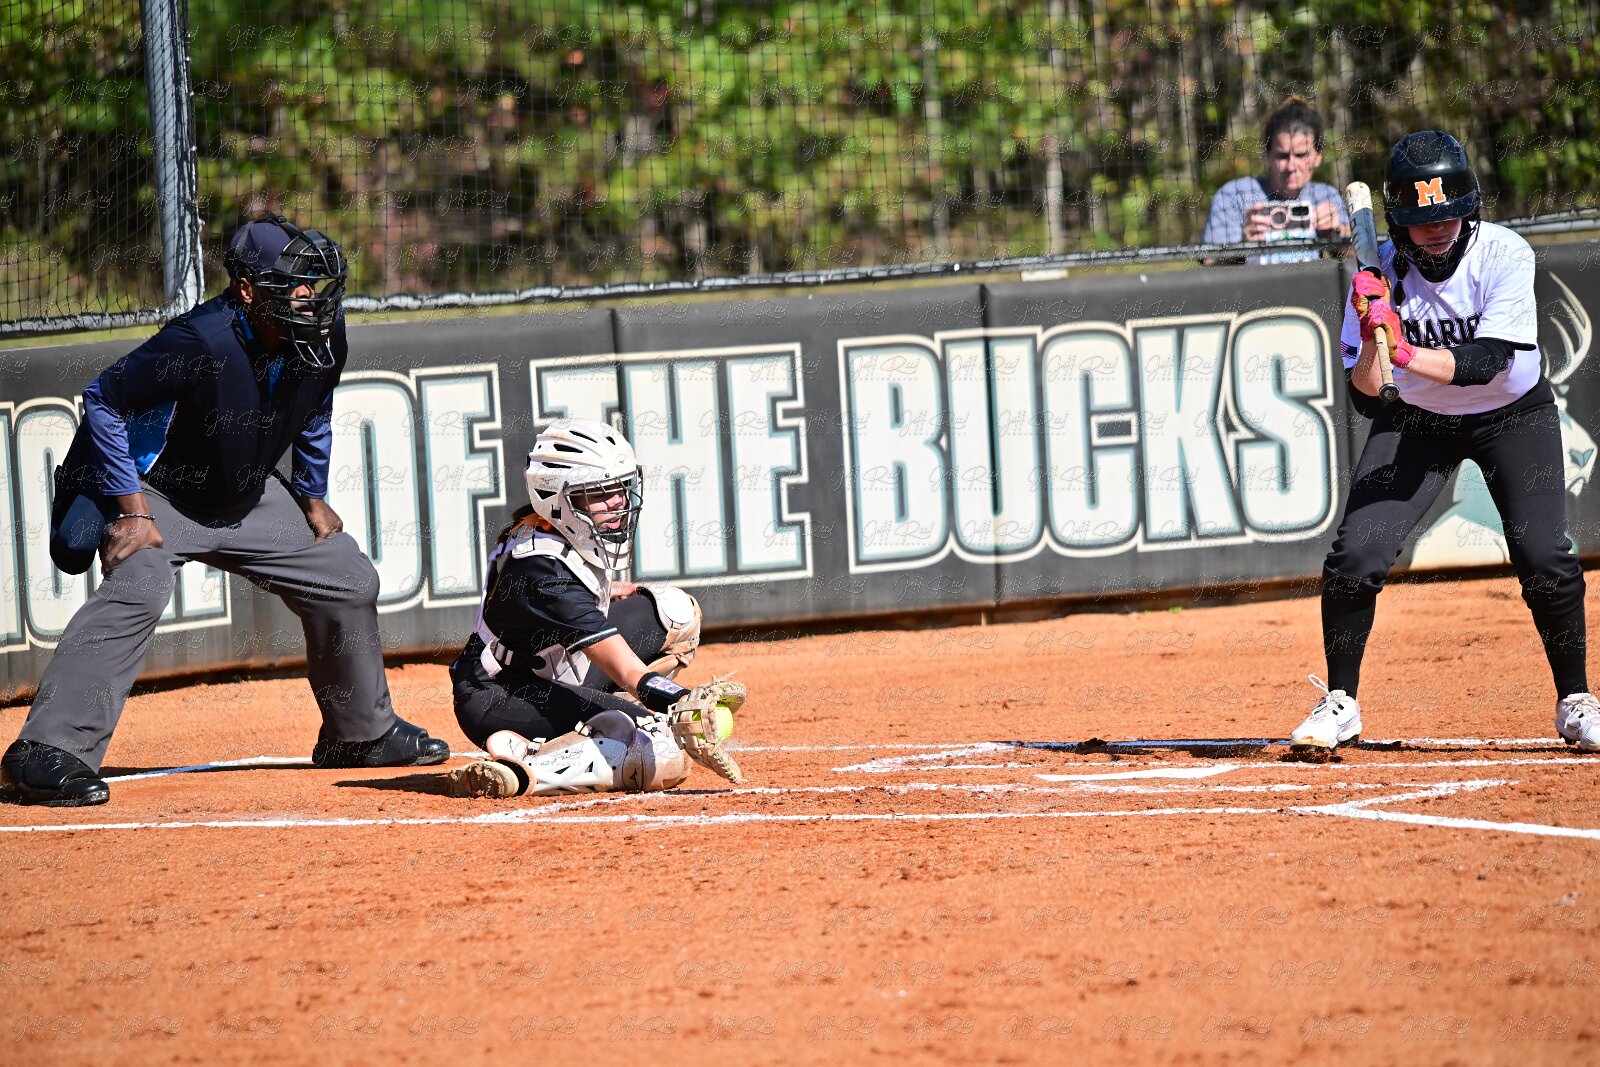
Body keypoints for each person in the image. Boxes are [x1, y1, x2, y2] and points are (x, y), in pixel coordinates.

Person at [0, 215, 449, 807]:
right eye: (293, 284)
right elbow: (104, 398)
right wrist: (132, 510)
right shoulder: (200, 341)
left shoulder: (321, 333)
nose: (309, 296)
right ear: (247, 290)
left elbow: (315, 407)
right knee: (141, 583)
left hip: (244, 495)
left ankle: (360, 735)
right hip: (158, 492)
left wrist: (311, 494)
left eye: (314, 282)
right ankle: (44, 750)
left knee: (346, 576)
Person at [1289, 130, 1598, 753]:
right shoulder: (1376, 273)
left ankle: (1576, 702)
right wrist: (1372, 329)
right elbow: (1367, 395)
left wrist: (1403, 349)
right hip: (1418, 419)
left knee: (1544, 556)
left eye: (1449, 215)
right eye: (1421, 220)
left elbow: (1486, 362)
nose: (1437, 230)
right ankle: (1341, 701)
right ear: (1398, 222)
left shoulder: (1504, 254)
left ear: (1470, 209)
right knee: (1356, 554)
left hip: (1512, 412)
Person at [447, 418, 746, 798]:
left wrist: (600, 594)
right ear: (556, 500)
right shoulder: (543, 573)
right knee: (660, 747)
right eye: (600, 493)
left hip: (546, 667)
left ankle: (595, 723)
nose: (618, 501)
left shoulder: (548, 529)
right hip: (500, 694)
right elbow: (629, 671)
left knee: (675, 612)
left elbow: (559, 602)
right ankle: (526, 769)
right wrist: (680, 699)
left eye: (619, 488)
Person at [1202, 96, 1350, 264]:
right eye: (1282, 156)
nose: (1291, 166)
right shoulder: (1234, 195)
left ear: (1318, 156)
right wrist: (1242, 248)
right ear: (1268, 154)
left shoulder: (1326, 196)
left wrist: (1337, 234)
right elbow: (1210, 264)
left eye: (1301, 155)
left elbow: (1360, 262)